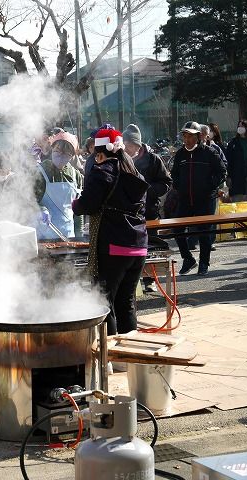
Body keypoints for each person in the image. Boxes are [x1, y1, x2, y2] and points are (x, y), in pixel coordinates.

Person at [72, 127, 149, 335]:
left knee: (105, 304)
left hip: (114, 246)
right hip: (139, 246)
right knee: (127, 303)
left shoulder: (103, 171)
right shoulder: (134, 172)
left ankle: (111, 359)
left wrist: (75, 204)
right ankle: (129, 356)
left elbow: (86, 205)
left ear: (98, 153)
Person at [171, 121, 227, 276]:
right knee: (177, 229)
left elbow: (222, 171)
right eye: (185, 135)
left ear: (198, 137)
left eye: (190, 136)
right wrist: (178, 186)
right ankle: (188, 259)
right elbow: (174, 174)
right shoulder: (180, 154)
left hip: (205, 200)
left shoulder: (209, 152)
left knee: (204, 233)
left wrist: (210, 186)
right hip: (185, 199)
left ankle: (204, 263)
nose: (187, 139)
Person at [123, 123, 172, 292]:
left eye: (131, 145)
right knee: (131, 249)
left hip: (150, 211)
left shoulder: (153, 159)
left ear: (138, 144)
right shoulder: (120, 158)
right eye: (126, 145)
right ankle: (133, 282)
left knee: (151, 248)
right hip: (128, 213)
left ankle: (150, 280)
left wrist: (148, 191)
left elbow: (166, 182)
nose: (128, 149)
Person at [34, 130, 84, 239]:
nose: (61, 156)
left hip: (68, 234)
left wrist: (79, 235)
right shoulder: (40, 173)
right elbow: (28, 201)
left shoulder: (76, 176)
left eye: (66, 154)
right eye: (58, 151)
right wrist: (40, 210)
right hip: (44, 234)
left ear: (72, 156)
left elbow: (78, 209)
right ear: (52, 149)